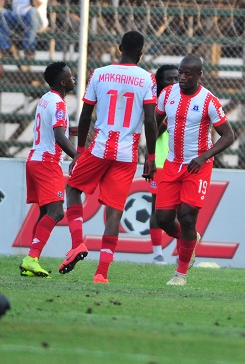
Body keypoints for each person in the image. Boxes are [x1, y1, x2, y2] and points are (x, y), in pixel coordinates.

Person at [65, 31, 158, 284]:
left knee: (72, 189)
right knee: (115, 210)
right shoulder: (147, 78)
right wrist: (151, 156)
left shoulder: (99, 74)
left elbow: (85, 116)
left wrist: (80, 151)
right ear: (141, 52)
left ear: (119, 48)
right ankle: (101, 274)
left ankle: (77, 244)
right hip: (127, 154)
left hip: (98, 148)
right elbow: (150, 121)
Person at [154, 55, 234, 286]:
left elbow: (228, 135)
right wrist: (150, 156)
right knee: (163, 219)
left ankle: (180, 274)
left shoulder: (208, 100)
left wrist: (204, 156)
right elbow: (155, 123)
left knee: (187, 216)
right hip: (171, 163)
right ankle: (189, 240)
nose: (182, 77)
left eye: (188, 74)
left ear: (199, 75)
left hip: (197, 165)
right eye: (181, 72)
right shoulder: (167, 95)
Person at [19, 62, 82, 277]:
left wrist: (74, 130)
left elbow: (55, 129)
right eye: (71, 76)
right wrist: (77, 156)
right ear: (63, 82)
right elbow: (58, 136)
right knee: (56, 212)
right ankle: (31, 258)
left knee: (46, 212)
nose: (74, 79)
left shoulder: (46, 99)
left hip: (35, 159)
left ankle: (31, 259)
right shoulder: (59, 104)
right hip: (47, 162)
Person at [149, 64, 179, 264]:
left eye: (176, 78)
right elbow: (153, 131)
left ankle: (181, 253)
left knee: (183, 210)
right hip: (160, 164)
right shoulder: (156, 104)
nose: (174, 83)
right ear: (160, 83)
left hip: (180, 163)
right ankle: (157, 254)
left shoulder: (183, 100)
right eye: (169, 79)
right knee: (157, 210)